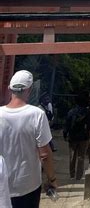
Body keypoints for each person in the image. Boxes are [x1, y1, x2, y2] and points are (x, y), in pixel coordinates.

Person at [0, 70, 57, 208]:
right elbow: (44, 154)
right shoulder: (37, 114)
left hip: (2, 184)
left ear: (9, 89)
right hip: (28, 184)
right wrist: (52, 179)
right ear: (29, 90)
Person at [63, 92, 90, 181]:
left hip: (72, 137)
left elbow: (66, 124)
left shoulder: (71, 111)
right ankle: (79, 176)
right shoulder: (87, 112)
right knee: (81, 157)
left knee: (72, 156)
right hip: (84, 137)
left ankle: (72, 175)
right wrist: (88, 130)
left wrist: (65, 134)